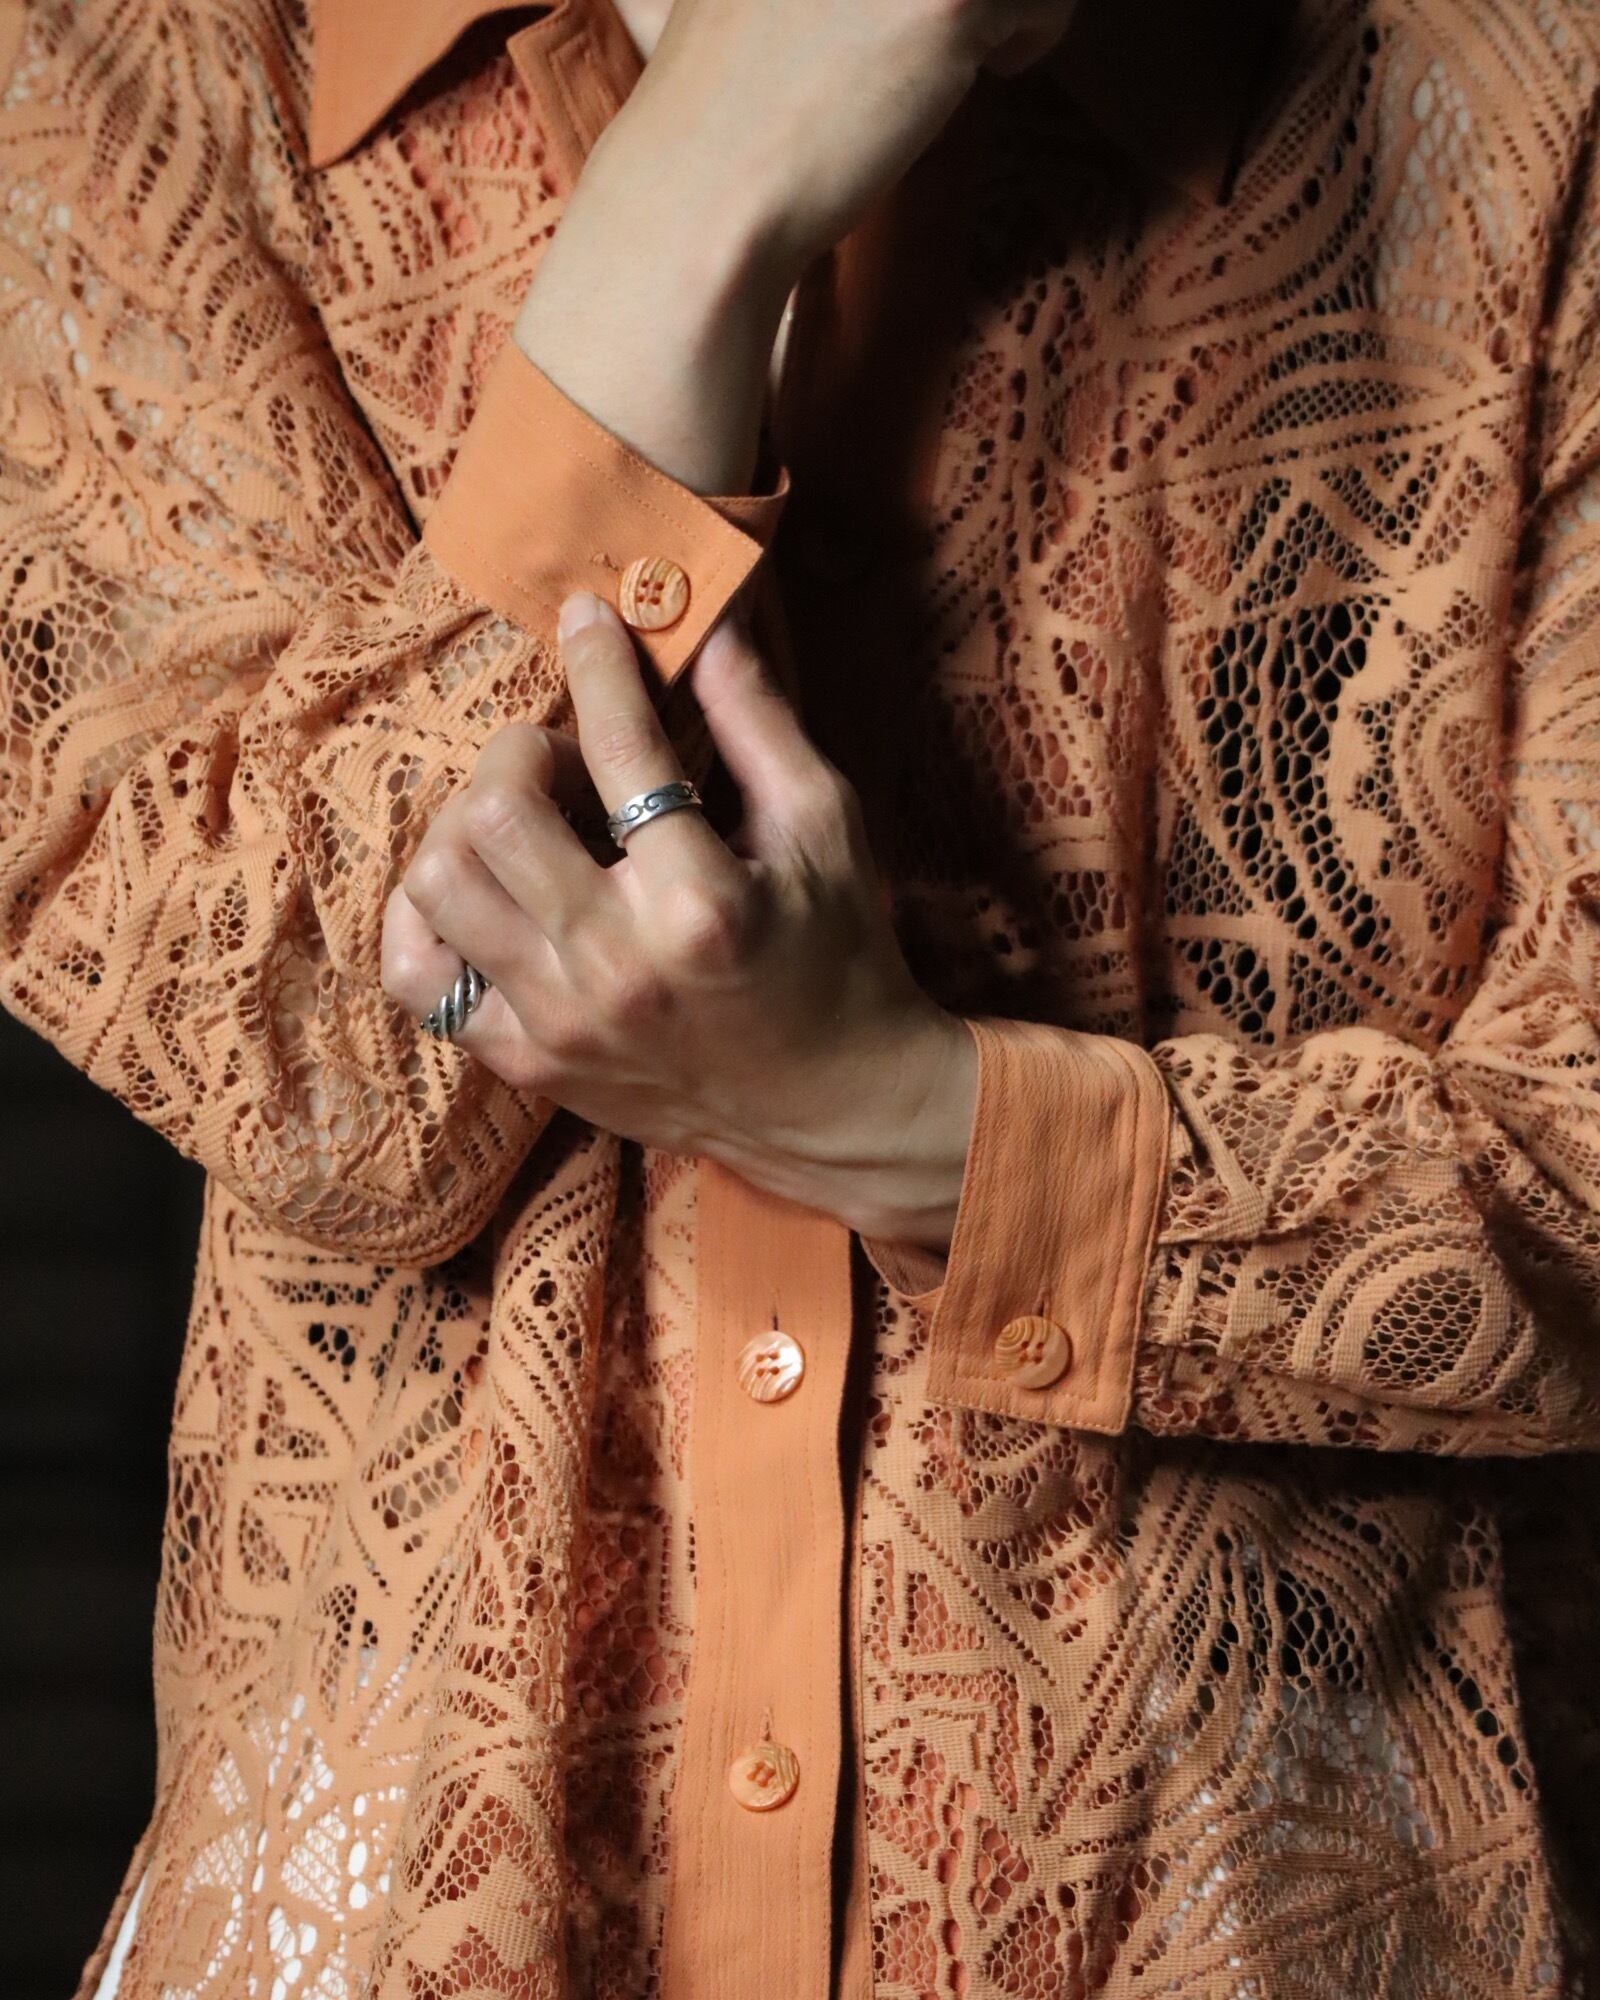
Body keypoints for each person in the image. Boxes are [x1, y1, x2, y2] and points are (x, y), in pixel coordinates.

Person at [2, 0, 1598, 1992]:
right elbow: (324, 1071)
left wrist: (916, 1124)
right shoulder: (122, 74)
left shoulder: (1514, 102)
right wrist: (695, 208)